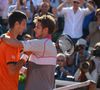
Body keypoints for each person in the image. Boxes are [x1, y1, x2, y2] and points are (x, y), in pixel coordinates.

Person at [2, 15, 57, 90]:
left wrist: (3, 37)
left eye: (37, 27)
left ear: (45, 30)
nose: (34, 29)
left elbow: (15, 43)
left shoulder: (42, 44)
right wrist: (22, 60)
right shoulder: (47, 45)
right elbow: (31, 72)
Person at [0, 10, 28, 90]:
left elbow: (5, 65)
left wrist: (24, 70)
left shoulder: (5, 38)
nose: (25, 27)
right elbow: (12, 71)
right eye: (23, 24)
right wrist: (25, 56)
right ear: (16, 24)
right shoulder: (11, 44)